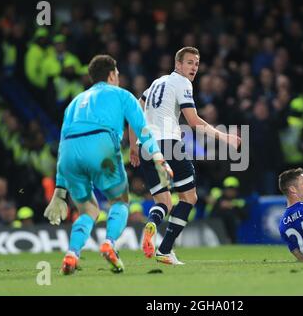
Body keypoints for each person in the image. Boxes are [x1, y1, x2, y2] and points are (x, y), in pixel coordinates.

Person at [43, 54, 173, 275]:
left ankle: (72, 254)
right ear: (112, 74)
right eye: (118, 74)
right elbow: (142, 130)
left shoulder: (74, 102)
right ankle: (109, 243)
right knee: (119, 202)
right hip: (101, 145)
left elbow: (64, 141)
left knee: (88, 209)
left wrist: (59, 189)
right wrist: (159, 158)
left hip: (69, 154)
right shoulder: (122, 95)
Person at [129, 47, 240, 264]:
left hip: (146, 147)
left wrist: (134, 147)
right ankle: (165, 249)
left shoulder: (155, 84)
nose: (194, 68)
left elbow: (135, 112)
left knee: (164, 202)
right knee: (189, 198)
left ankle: (152, 222)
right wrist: (225, 137)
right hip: (168, 144)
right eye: (189, 62)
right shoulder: (182, 83)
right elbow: (194, 121)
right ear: (178, 65)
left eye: (196, 64)